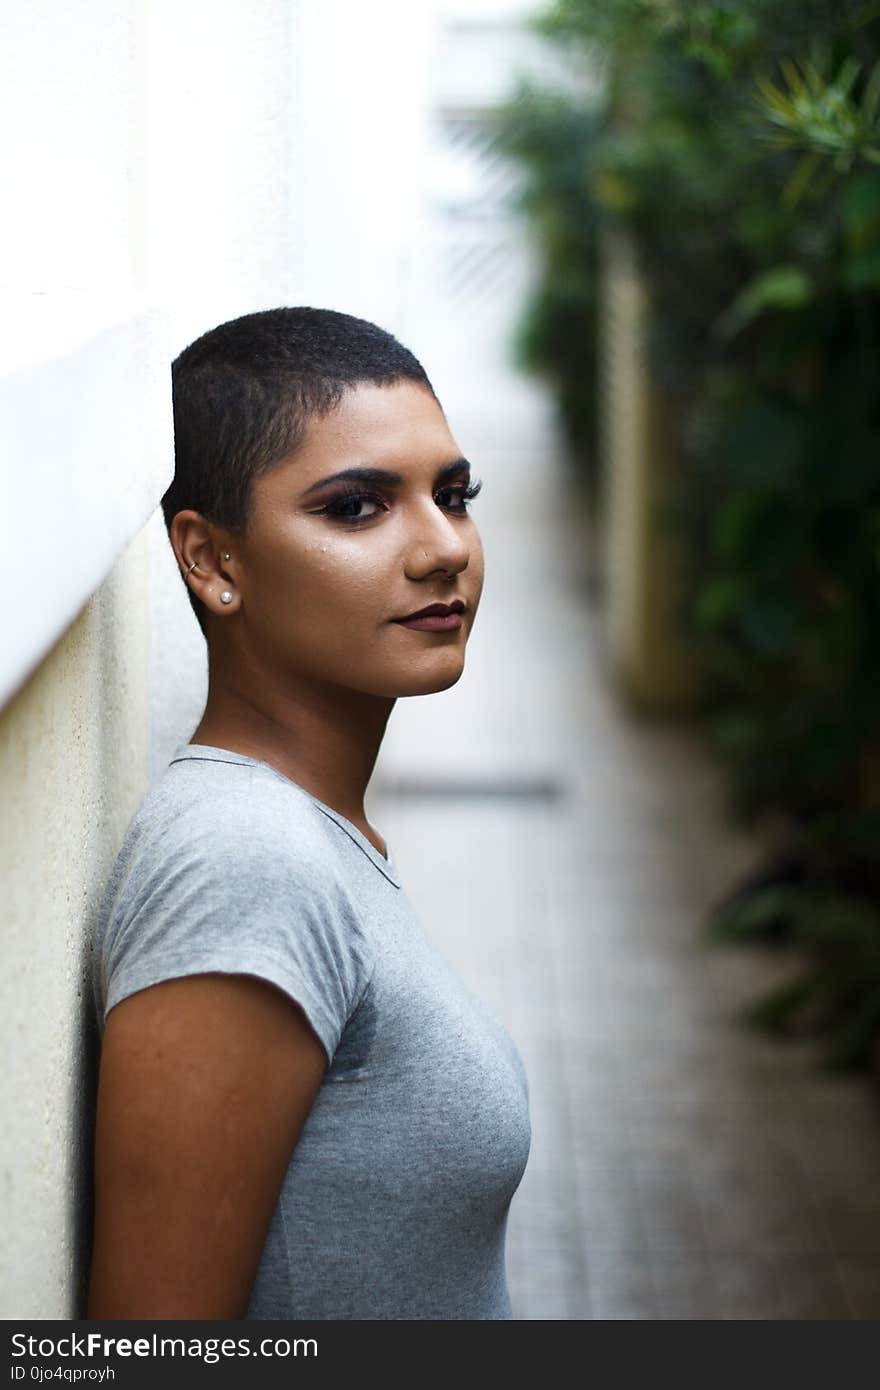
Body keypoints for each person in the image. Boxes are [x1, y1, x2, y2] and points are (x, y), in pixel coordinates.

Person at [87, 307, 532, 1320]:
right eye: (356, 508)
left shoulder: (311, 830)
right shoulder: (246, 862)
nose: (441, 549)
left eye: (453, 495)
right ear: (212, 561)